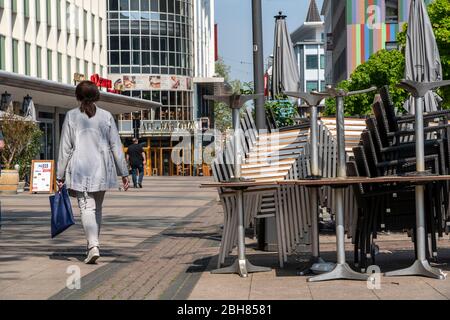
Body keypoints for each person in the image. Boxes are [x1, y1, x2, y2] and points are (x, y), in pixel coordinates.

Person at [56, 81, 130, 264]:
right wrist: (124, 173)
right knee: (96, 208)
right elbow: (116, 146)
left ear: (78, 97)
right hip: (102, 168)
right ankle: (94, 244)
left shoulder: (72, 116)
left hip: (80, 168)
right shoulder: (106, 116)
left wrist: (59, 174)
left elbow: (65, 148)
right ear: (97, 96)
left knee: (86, 208)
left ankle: (93, 245)